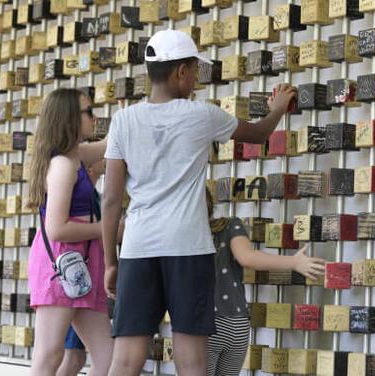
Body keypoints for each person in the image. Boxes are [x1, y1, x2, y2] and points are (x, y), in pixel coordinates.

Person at [101, 29, 297, 376]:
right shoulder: (202, 115)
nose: (195, 79)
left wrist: (110, 262)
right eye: (194, 71)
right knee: (192, 362)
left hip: (137, 247)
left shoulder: (122, 121)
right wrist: (278, 109)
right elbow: (259, 133)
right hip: (188, 248)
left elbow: (112, 200)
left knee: (125, 360)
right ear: (180, 73)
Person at [27, 88, 113, 376]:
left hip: (82, 265)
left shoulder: (74, 155)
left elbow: (106, 146)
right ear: (69, 119)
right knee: (49, 356)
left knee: (109, 359)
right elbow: (56, 228)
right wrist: (107, 228)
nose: (94, 117)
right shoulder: (64, 164)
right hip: (62, 265)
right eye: (88, 112)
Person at [204, 188, 326, 375]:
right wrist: (293, 262)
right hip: (238, 323)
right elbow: (248, 258)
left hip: (205, 323)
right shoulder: (230, 225)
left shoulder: (183, 236)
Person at [56, 159, 106, 376]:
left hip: (85, 278)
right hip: (75, 277)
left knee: (79, 356)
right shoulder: (81, 193)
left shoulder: (93, 196)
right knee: (71, 357)